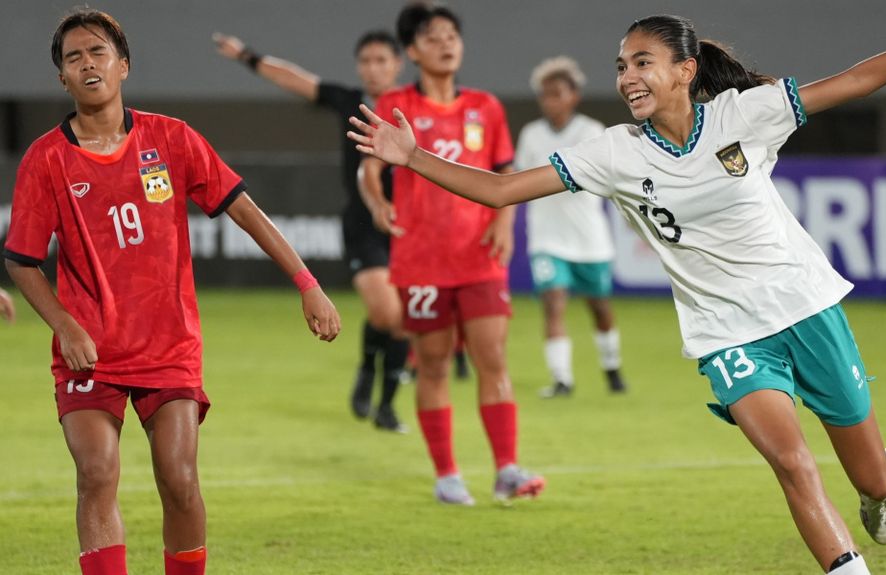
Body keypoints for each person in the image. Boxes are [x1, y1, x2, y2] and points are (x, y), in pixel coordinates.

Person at [348, 0, 886, 570]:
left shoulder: (743, 115)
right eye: (621, 65)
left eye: (643, 61)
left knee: (869, 472)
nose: (628, 75)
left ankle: (879, 484)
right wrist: (413, 158)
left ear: (684, 70)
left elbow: (861, 78)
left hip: (804, 306)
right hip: (726, 331)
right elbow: (500, 188)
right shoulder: (614, 151)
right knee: (790, 460)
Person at [4, 9, 341, 575]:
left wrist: (307, 283)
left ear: (123, 65)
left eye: (98, 52)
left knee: (181, 482)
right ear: (62, 78)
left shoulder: (172, 138)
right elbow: (22, 262)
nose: (87, 64)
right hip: (92, 350)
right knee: (96, 472)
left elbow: (247, 213)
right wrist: (65, 324)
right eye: (73, 58)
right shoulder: (46, 159)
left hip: (168, 345)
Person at [360, 1, 545, 505]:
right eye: (433, 36)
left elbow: (505, 176)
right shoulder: (397, 103)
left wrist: (505, 222)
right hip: (420, 260)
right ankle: (446, 475)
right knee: (434, 365)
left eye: (452, 35)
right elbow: (369, 168)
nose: (446, 43)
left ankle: (507, 468)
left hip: (478, 257)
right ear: (414, 50)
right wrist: (377, 201)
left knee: (493, 358)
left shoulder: (485, 107)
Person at [212, 29, 411, 433]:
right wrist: (247, 56)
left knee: (403, 321)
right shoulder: (350, 100)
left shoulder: (415, 108)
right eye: (366, 60)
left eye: (381, 60)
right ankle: (368, 367)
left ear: (398, 64)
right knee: (387, 311)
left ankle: (387, 406)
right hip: (364, 224)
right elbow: (294, 78)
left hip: (411, 227)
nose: (373, 68)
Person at [515, 56, 627, 398]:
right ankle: (562, 379)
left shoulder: (591, 132)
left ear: (573, 95)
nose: (550, 101)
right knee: (553, 301)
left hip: (589, 239)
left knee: (600, 308)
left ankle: (611, 367)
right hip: (547, 238)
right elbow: (516, 179)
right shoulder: (531, 134)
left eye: (557, 93)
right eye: (545, 95)